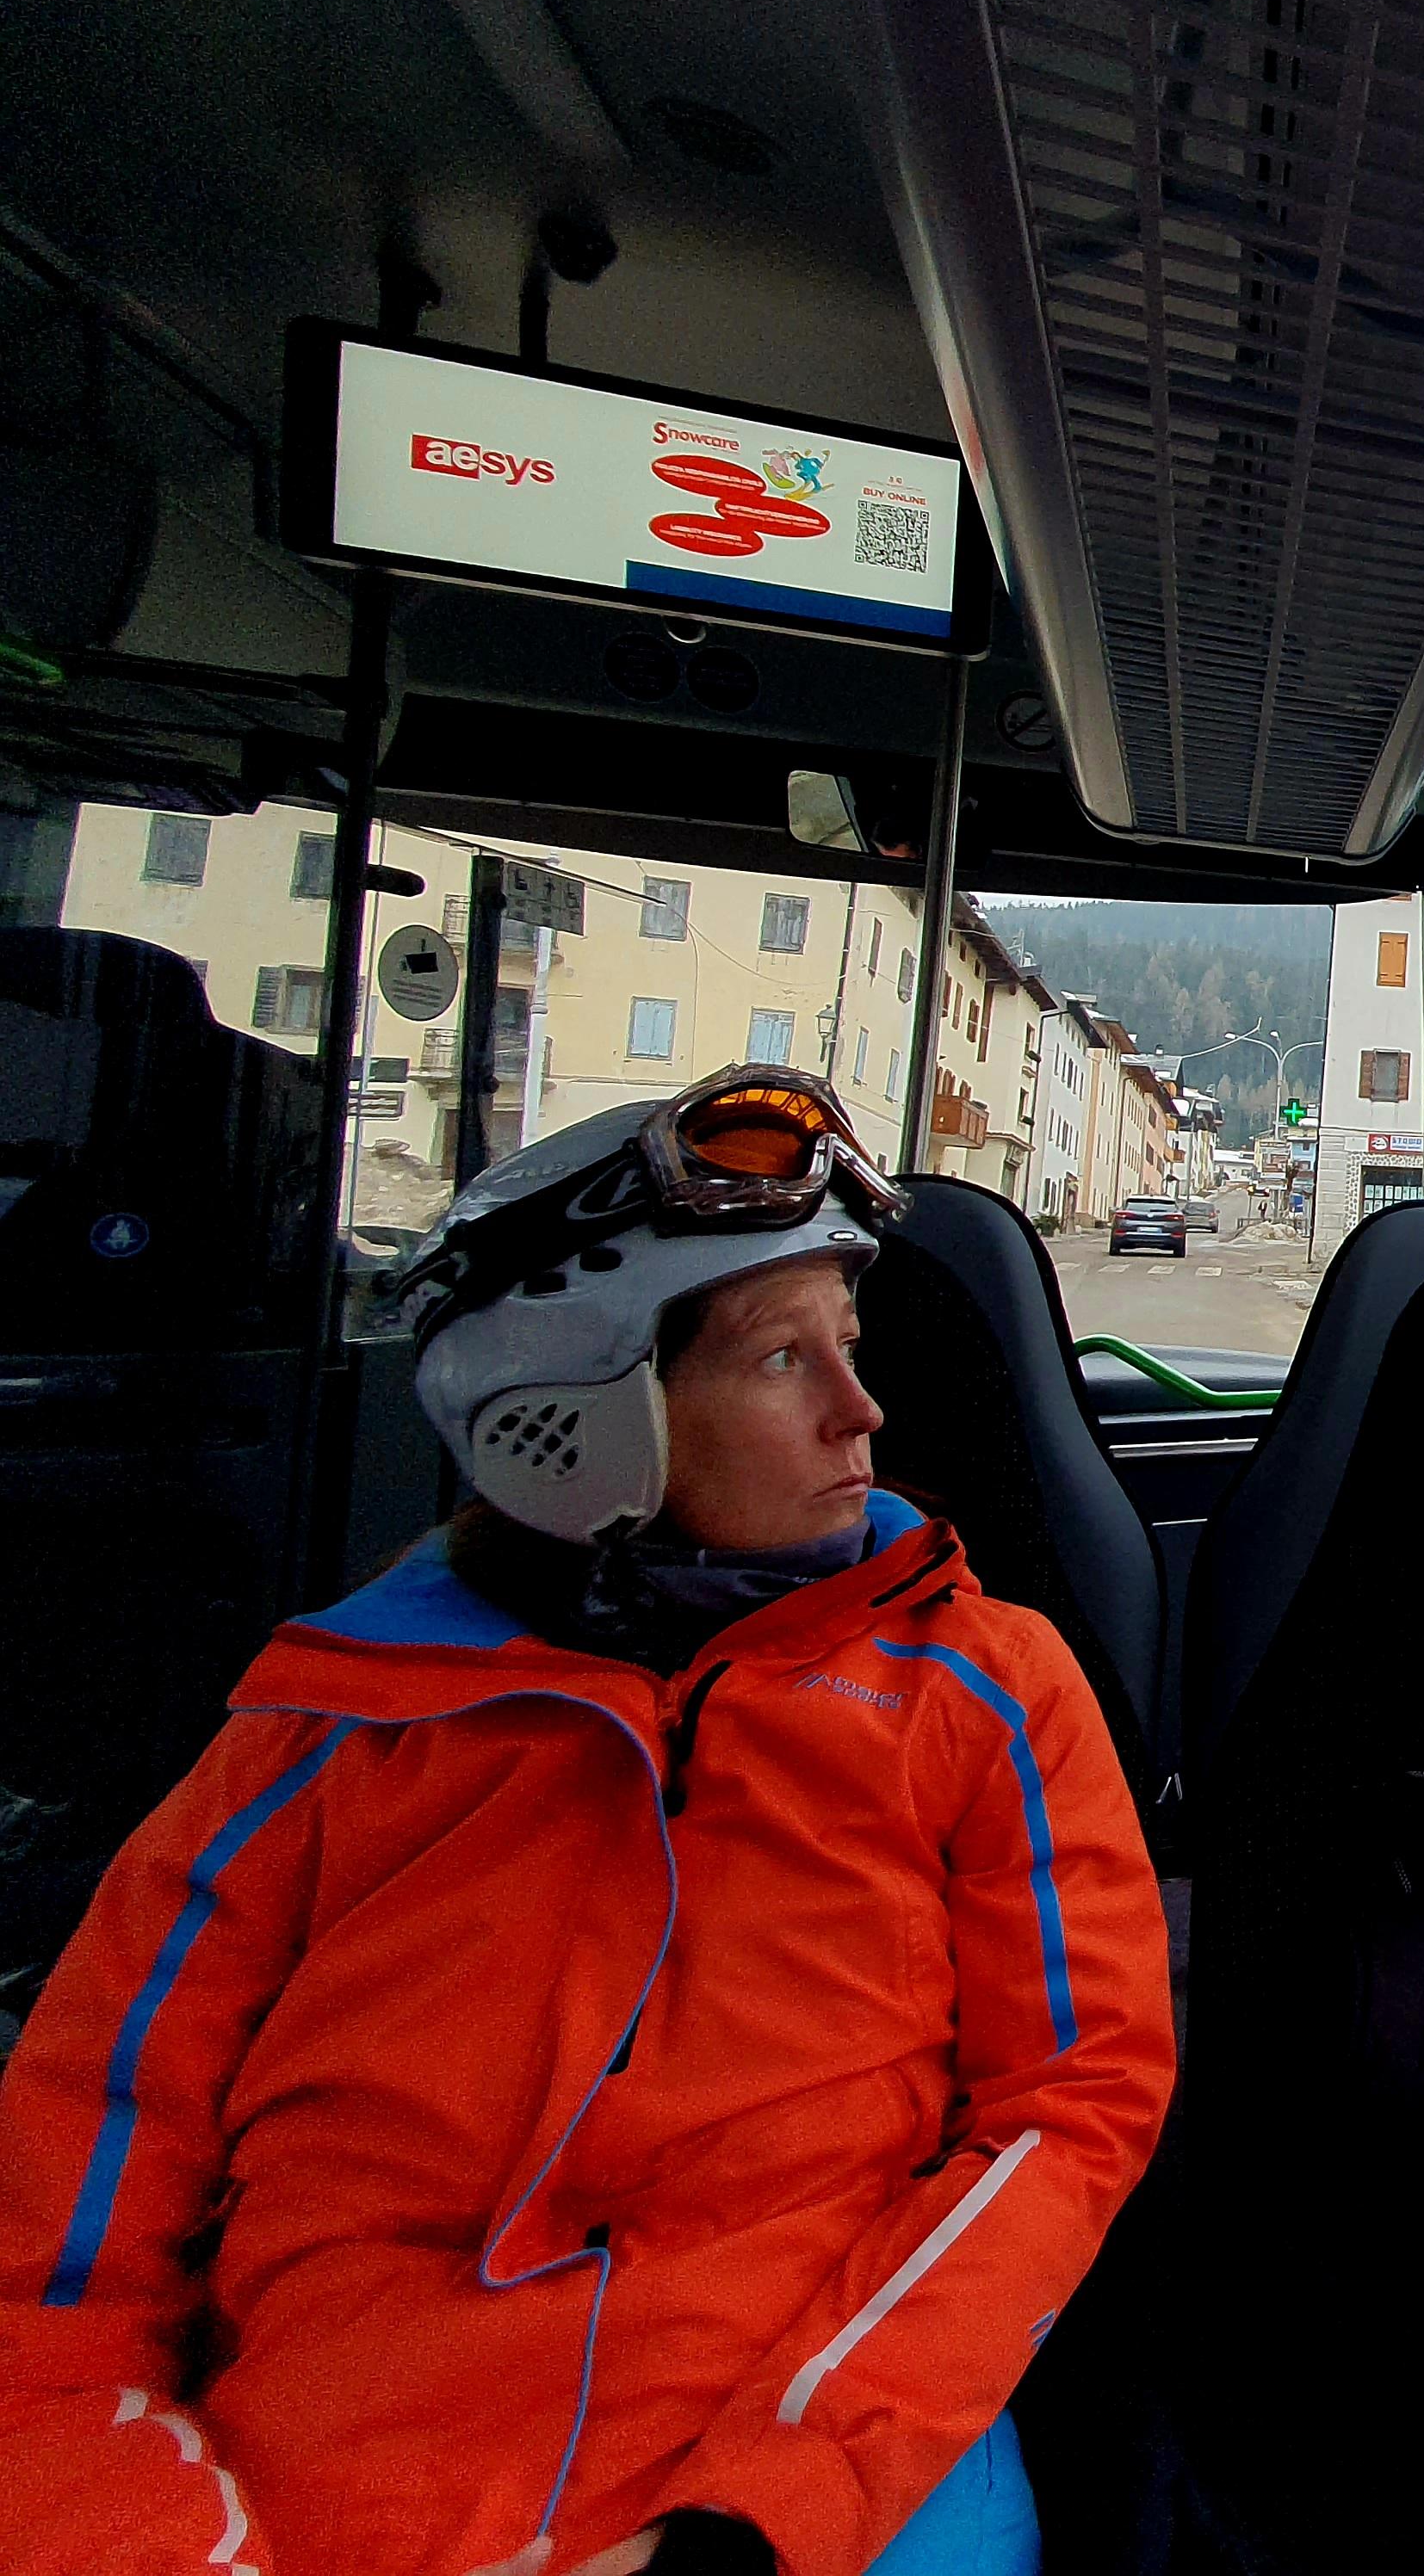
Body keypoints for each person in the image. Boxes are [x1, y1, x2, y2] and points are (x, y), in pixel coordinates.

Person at [0, 1071, 1172, 2576]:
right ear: (583, 1422)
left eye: (850, 1347)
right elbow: (61, 2235)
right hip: (325, 2484)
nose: (860, 1411)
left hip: (796, 2472)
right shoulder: (333, 1728)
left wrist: (751, 2527)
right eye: (777, 1360)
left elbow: (1073, 2104)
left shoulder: (981, 1684)